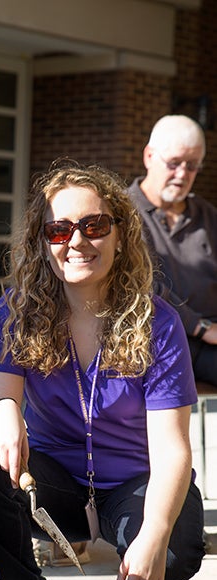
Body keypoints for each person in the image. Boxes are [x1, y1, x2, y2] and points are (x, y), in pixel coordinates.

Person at [0, 160, 205, 580]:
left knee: (173, 555)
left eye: (95, 225)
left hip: (136, 480)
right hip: (56, 479)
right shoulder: (16, 311)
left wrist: (152, 538)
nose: (77, 241)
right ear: (44, 240)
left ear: (120, 233)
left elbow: (172, 448)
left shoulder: (160, 322)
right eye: (60, 229)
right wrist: (0, 413)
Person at [128, 114, 217, 385]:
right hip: (157, 338)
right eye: (174, 163)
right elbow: (140, 284)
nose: (182, 174)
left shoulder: (207, 215)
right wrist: (200, 327)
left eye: (191, 166)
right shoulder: (122, 212)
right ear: (149, 157)